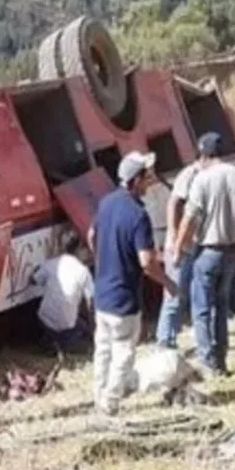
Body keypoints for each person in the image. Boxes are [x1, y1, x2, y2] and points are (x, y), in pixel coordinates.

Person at [89, 151, 177, 415]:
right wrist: (168, 284)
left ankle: (98, 392)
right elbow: (146, 262)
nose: (149, 181)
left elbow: (92, 233)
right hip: (124, 299)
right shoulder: (138, 215)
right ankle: (110, 401)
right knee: (124, 352)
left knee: (102, 348)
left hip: (102, 293)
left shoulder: (106, 203)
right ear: (135, 180)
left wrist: (103, 259)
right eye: (146, 176)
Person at [174, 132, 235, 374]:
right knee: (222, 308)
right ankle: (221, 359)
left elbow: (190, 218)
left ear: (204, 154)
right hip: (231, 252)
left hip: (207, 251)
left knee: (201, 308)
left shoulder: (203, 179)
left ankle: (207, 362)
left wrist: (178, 248)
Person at [156, 134, 217, 349]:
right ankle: (165, 340)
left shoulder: (209, 177)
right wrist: (174, 238)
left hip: (197, 243)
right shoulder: (189, 175)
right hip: (182, 244)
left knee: (192, 294)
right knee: (174, 295)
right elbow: (174, 204)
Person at [32, 230, 94, 354]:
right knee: (83, 329)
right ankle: (63, 345)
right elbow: (91, 302)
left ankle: (50, 342)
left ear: (61, 246)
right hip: (68, 325)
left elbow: (34, 280)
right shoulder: (83, 270)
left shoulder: (51, 264)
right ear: (78, 248)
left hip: (45, 320)